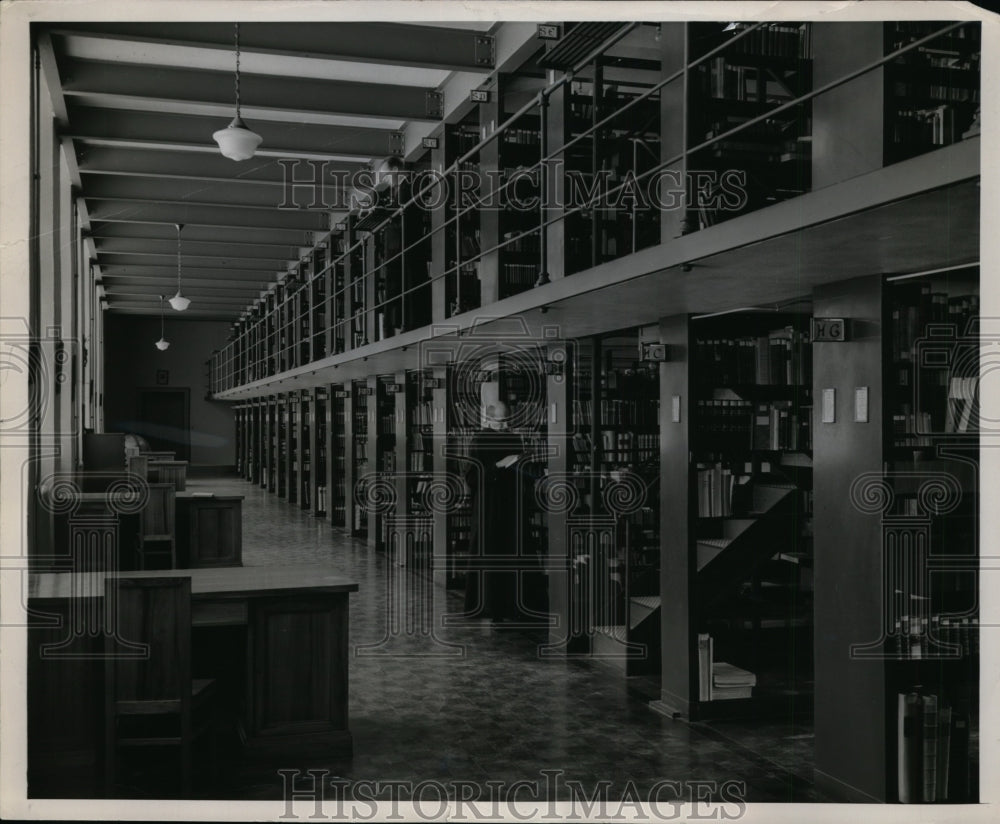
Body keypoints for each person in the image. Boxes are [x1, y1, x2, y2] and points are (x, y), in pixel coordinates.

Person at [463, 400, 525, 621]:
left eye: (508, 420)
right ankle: (488, 604)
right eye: (501, 421)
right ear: (489, 419)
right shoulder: (479, 439)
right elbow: (471, 476)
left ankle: (514, 605)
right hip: (489, 504)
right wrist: (498, 466)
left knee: (513, 550)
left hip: (512, 503)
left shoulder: (514, 437)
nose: (505, 425)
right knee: (489, 550)